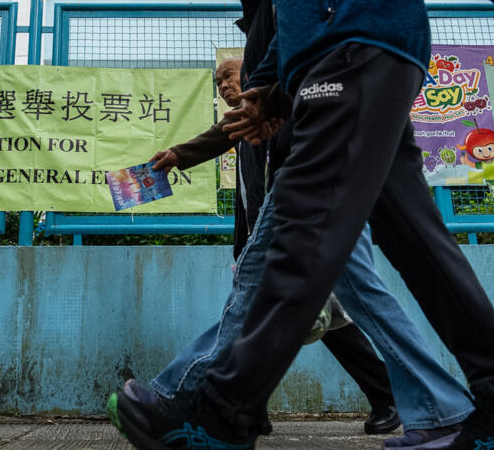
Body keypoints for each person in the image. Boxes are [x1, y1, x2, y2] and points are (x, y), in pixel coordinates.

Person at [107, 0, 494, 449]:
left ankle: (222, 414)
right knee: (418, 245)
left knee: (304, 229)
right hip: (344, 58)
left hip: (355, 51)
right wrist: (272, 89)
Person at [144, 55, 403, 438]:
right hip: (266, 241)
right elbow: (238, 174)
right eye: (218, 83)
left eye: (228, 77)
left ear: (250, 74)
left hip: (298, 232)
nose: (224, 87)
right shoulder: (243, 128)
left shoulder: (278, 113)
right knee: (277, 322)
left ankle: (389, 398)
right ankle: (247, 410)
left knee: (301, 321)